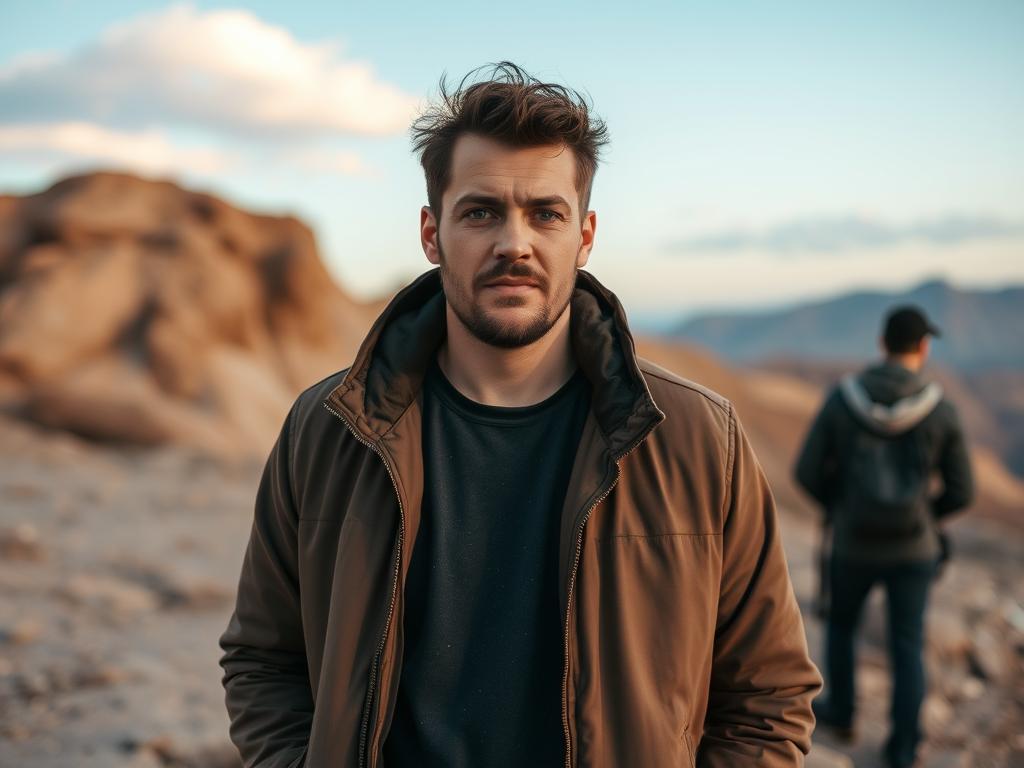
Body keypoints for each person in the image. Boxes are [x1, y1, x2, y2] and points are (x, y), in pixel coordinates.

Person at [219, 61, 822, 768]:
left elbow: (769, 698)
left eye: (545, 213)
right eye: (480, 212)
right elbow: (263, 661)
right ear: (431, 233)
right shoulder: (327, 429)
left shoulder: (696, 438)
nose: (515, 243)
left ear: (585, 235)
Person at [794, 305, 974, 768]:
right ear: (922, 347)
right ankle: (903, 746)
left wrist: (842, 507)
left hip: (852, 543)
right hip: (914, 549)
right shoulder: (941, 409)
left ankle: (842, 713)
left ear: (882, 344)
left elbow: (807, 471)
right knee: (907, 642)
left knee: (840, 625)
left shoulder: (843, 399)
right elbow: (962, 490)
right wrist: (927, 516)